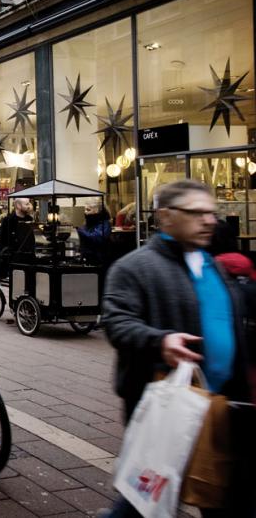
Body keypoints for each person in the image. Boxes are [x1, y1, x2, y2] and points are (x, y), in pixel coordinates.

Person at [102, 179, 252, 516]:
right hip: (167, 405)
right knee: (143, 501)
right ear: (166, 216)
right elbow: (115, 321)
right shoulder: (135, 267)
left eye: (211, 213)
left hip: (222, 405)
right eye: (196, 213)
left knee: (231, 496)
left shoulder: (213, 265)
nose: (209, 221)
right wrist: (159, 340)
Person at [76, 201, 111, 266]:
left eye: (88, 210)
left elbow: (97, 238)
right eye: (85, 209)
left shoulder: (104, 223)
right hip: (87, 258)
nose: (85, 212)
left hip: (99, 260)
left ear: (97, 211)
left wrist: (79, 229)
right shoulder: (88, 223)